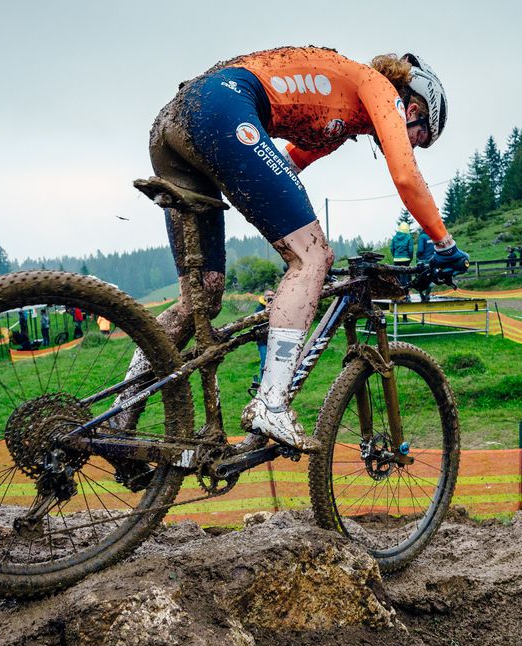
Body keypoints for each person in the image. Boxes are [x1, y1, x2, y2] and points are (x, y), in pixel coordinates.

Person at [141, 46, 468, 450]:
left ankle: (120, 411)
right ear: (413, 107)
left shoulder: (338, 116)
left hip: (175, 122)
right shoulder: (380, 88)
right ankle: (271, 404)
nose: (413, 145)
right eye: (421, 138)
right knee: (312, 256)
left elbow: (286, 165)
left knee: (202, 296)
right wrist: (445, 244)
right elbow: (406, 176)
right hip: (221, 108)